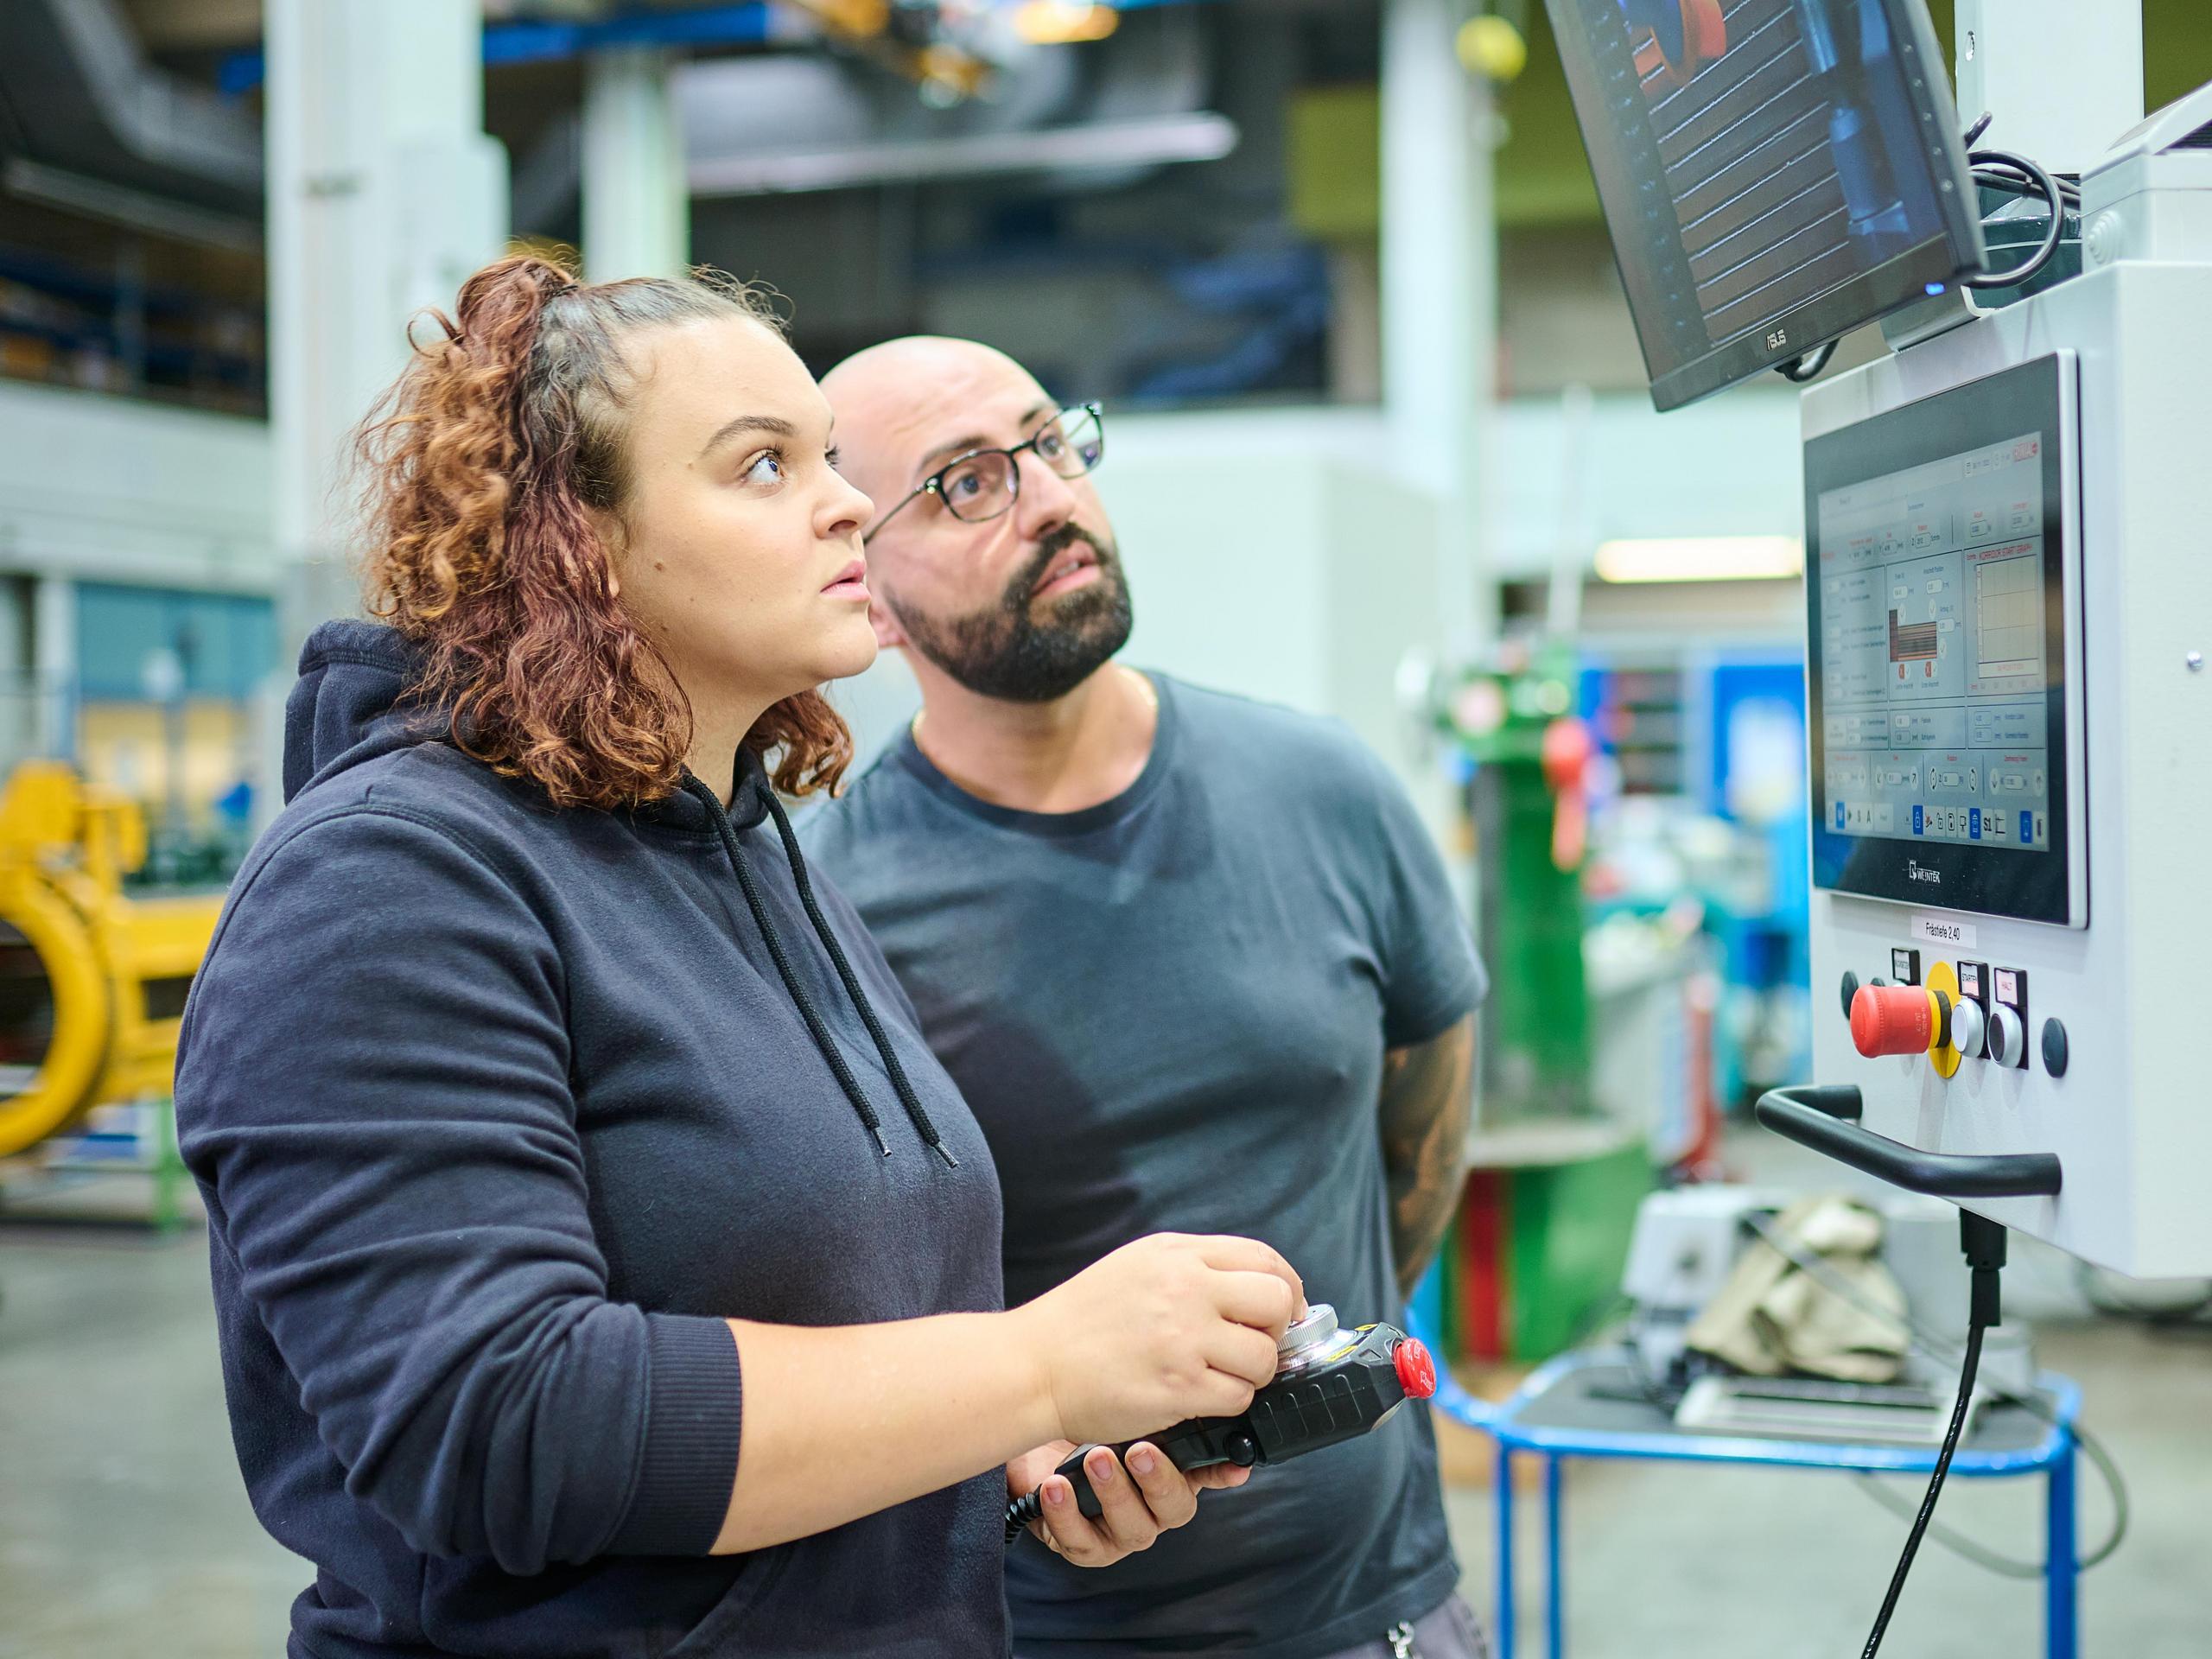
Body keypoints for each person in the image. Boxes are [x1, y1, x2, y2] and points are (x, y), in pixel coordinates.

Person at [173, 257, 1307, 1659]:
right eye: (762, 466)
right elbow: (495, 1423)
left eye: (826, 456)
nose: (843, 502)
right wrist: (1034, 1362)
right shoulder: (384, 885)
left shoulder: (745, 849)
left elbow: (827, 1323)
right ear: (573, 543)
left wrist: (1011, 1448)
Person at [806, 338, 1491, 1659]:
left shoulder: (1325, 790)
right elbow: (860, 1321)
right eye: (963, 483)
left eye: (1051, 442)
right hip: (1046, 1634)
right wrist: (1012, 1454)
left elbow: (1421, 1134)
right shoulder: (828, 915)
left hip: (1387, 1614)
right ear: (867, 595)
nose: (1051, 497)